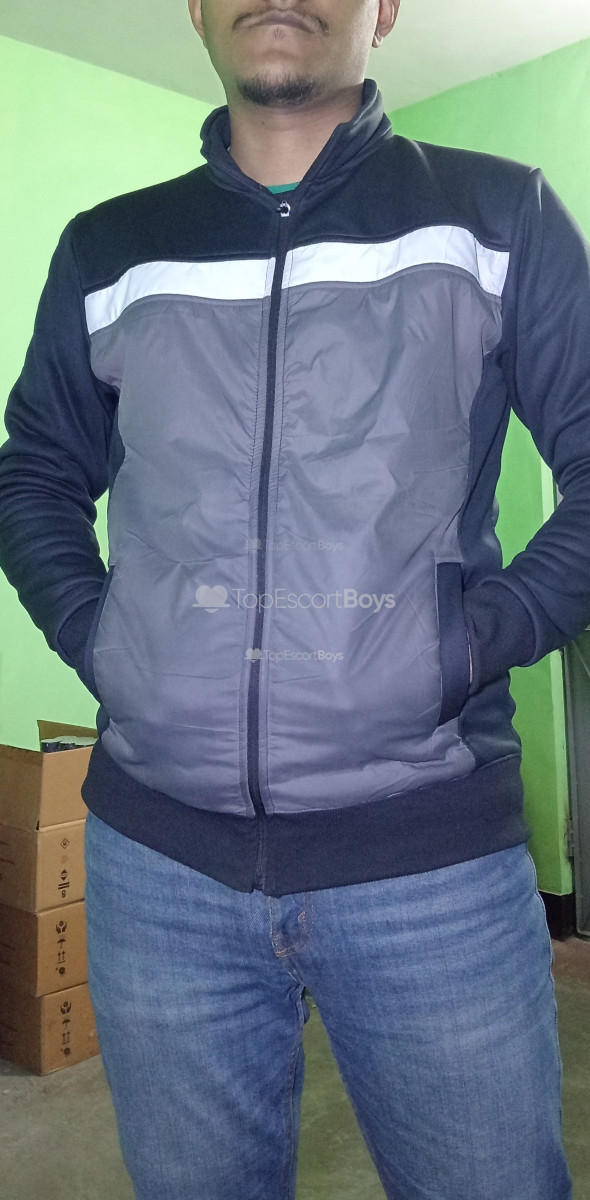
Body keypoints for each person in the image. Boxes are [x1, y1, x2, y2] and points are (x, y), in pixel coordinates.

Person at [0, 0, 587, 1195]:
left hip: (426, 861)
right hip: (155, 864)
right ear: (195, 6)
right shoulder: (110, 248)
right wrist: (104, 642)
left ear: (384, 9)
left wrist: (471, 642)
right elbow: (37, 473)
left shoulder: (495, 214)